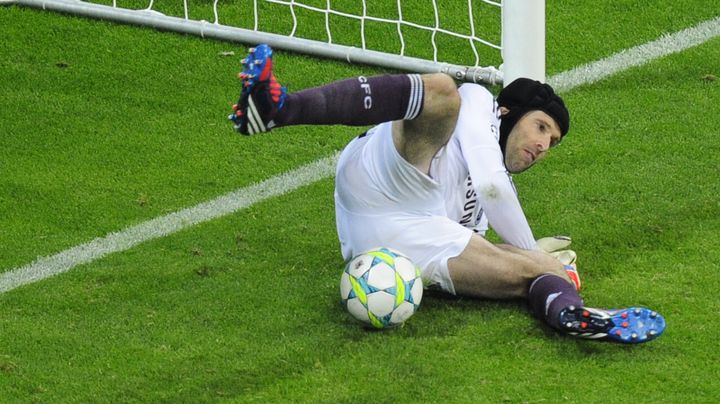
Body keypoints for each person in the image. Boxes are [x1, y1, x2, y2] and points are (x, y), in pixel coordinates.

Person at [228, 44, 665, 344]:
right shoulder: (479, 104)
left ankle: (573, 316)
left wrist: (537, 268)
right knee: (441, 94)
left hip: (397, 236)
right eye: (541, 128)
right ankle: (280, 108)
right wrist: (536, 254)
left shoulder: (489, 205)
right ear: (508, 112)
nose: (543, 146)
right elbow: (492, 184)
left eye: (552, 143)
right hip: (388, 176)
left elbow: (475, 235)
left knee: (521, 273)